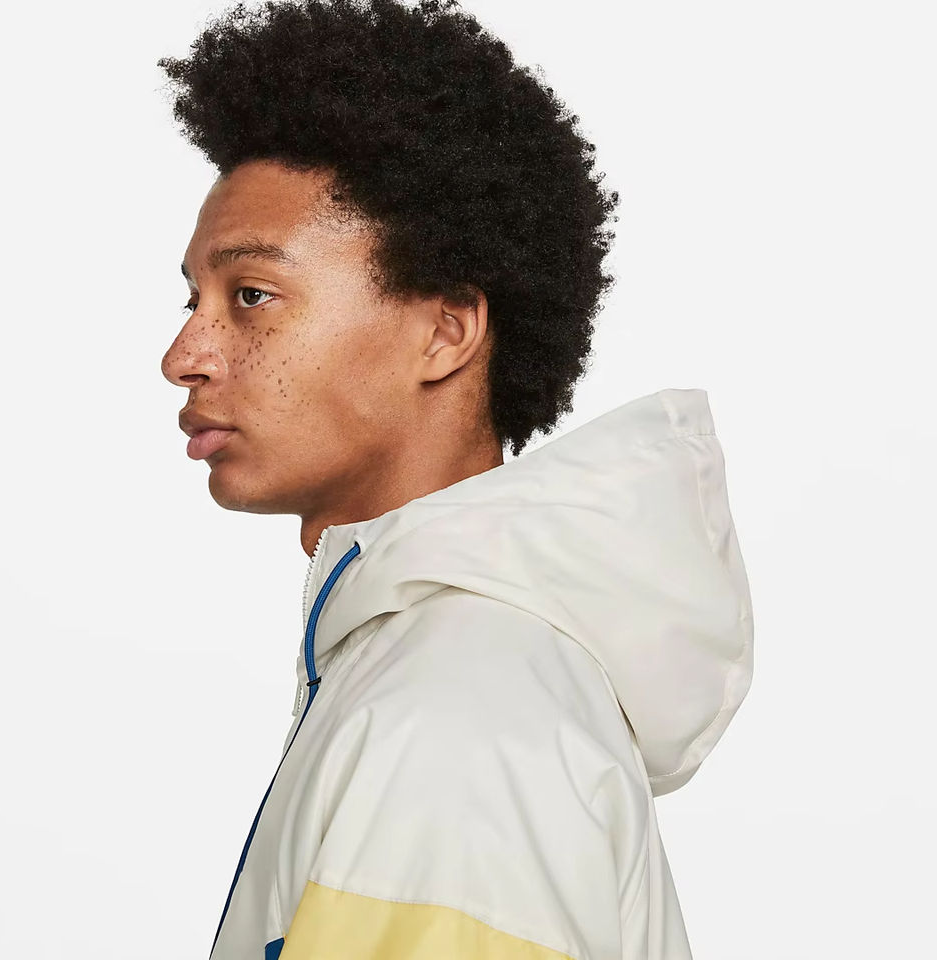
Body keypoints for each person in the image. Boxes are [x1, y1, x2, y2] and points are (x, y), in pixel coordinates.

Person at [158, 1, 754, 958]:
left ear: (445, 331)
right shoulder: (431, 676)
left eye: (253, 296)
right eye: (194, 300)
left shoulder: (452, 721)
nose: (184, 355)